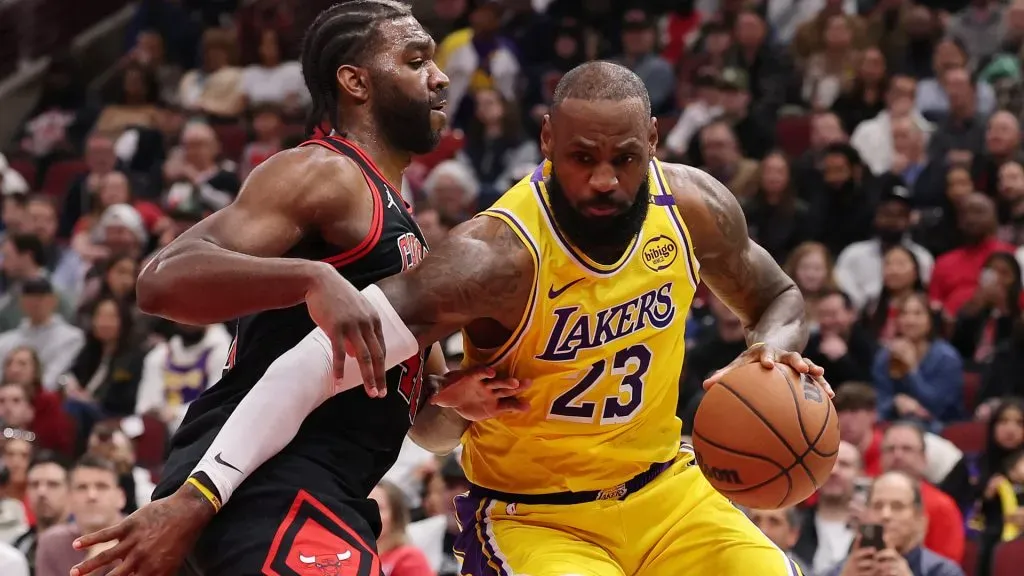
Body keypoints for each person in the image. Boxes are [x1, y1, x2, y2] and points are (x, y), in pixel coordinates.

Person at [76, 60, 832, 576]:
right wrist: (197, 496)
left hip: (669, 489)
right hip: (540, 521)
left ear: (656, 145)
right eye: (581, 157)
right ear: (546, 144)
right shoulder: (493, 256)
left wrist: (768, 353)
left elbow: (780, 299)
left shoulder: (690, 206)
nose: (603, 179)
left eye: (625, 158)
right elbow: (320, 370)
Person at [70, 3, 525, 575]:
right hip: (264, 483)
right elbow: (161, 281)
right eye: (416, 61)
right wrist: (309, 275)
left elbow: (425, 428)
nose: (440, 76)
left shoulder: (408, 233)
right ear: (355, 81)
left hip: (326, 495)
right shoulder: (324, 173)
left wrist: (458, 403)